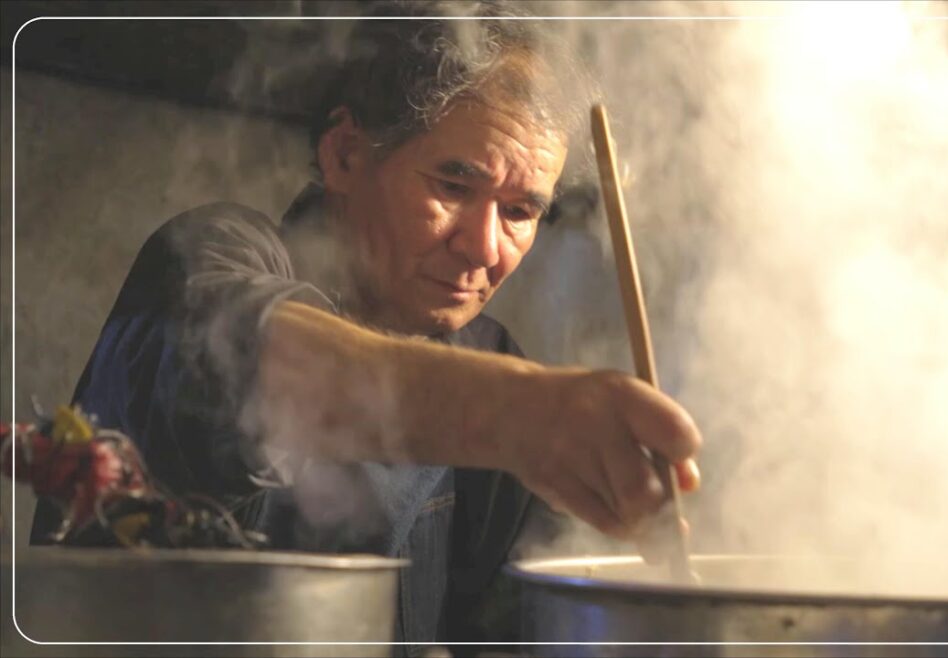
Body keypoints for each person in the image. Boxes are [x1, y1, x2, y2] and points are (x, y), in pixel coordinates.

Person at [30, 3, 701, 654]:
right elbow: (260, 360)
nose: (486, 247)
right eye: (453, 185)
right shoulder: (209, 258)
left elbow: (509, 634)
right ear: (346, 154)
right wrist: (518, 409)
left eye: (521, 210)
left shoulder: (490, 354)